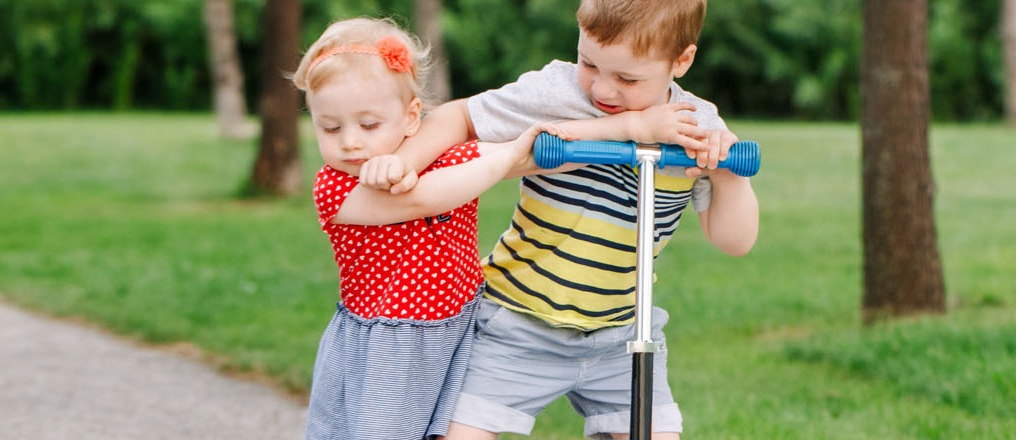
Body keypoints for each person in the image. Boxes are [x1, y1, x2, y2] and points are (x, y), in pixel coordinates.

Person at [362, 1, 758, 438]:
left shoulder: (695, 126)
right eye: (589, 63)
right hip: (518, 322)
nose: (603, 90)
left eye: (627, 78)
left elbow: (734, 242)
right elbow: (460, 117)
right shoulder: (559, 92)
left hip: (622, 333)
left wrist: (727, 174)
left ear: (681, 61)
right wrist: (403, 162)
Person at [290, 18, 546, 439]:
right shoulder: (335, 186)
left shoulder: (446, 156)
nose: (350, 142)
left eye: (368, 125)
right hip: (388, 351)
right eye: (330, 127)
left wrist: (631, 132)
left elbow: (538, 151)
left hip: (463, 332)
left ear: (412, 117)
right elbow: (428, 198)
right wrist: (503, 159)